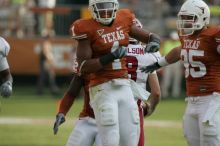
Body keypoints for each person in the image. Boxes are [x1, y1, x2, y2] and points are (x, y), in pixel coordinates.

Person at [53, 18, 161, 146]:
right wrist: (62, 111)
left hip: (107, 120)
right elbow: (156, 92)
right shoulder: (95, 60)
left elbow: (73, 90)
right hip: (92, 118)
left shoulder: (115, 61)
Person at [141, 0, 220, 146]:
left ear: (203, 17)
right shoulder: (186, 36)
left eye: (189, 18)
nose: (185, 22)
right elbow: (180, 51)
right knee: (192, 138)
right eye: (183, 18)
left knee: (211, 139)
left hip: (212, 98)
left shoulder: (214, 35)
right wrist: (159, 63)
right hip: (191, 99)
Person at [160, 31, 182, 98]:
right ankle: (164, 94)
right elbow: (162, 53)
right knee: (166, 79)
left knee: (177, 79)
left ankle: (175, 95)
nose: (174, 40)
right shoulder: (166, 43)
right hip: (167, 62)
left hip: (177, 63)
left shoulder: (179, 43)